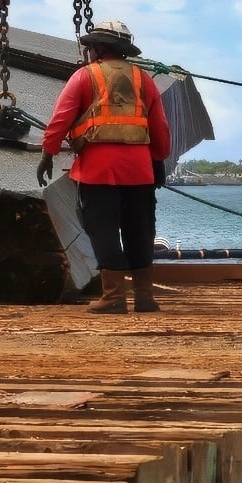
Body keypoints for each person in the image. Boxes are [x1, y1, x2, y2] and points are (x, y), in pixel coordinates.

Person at [37, 20, 172, 314]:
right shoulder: (143, 79)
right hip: (140, 171)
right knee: (140, 231)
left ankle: (113, 297)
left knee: (104, 231)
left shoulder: (85, 76)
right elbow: (159, 127)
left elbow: (61, 118)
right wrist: (158, 158)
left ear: (98, 48)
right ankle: (144, 298)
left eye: (90, 47)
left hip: (98, 170)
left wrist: (48, 153)